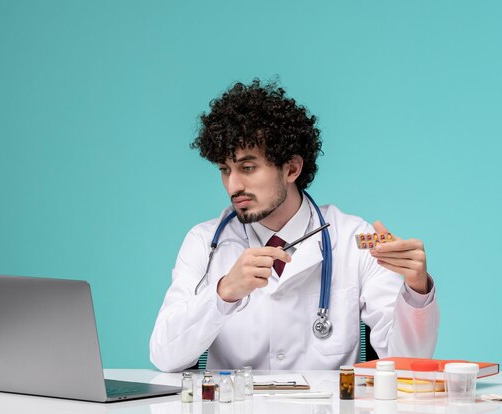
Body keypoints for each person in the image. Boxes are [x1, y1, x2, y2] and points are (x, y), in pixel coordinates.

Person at [150, 79, 439, 372]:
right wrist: (224, 293)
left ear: (291, 168)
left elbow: (407, 363)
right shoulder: (204, 241)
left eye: (248, 168)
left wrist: (416, 290)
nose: (233, 185)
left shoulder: (353, 238)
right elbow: (164, 357)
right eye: (225, 170)